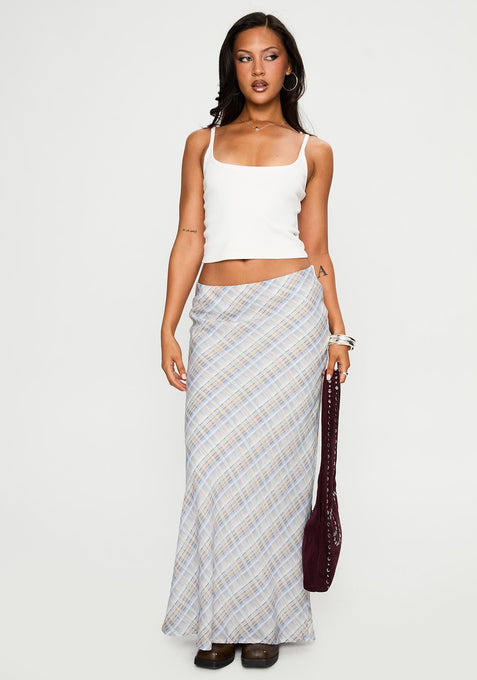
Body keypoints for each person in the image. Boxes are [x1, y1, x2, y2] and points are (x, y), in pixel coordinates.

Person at [159, 11, 354, 670]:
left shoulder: (314, 151)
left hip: (289, 318)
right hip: (219, 316)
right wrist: (168, 325)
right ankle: (217, 617)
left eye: (270, 56)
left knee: (276, 474)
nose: (258, 69)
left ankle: (265, 619)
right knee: (212, 468)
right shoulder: (201, 143)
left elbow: (318, 249)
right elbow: (190, 235)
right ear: (232, 68)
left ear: (288, 66)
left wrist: (338, 331)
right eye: (245, 58)